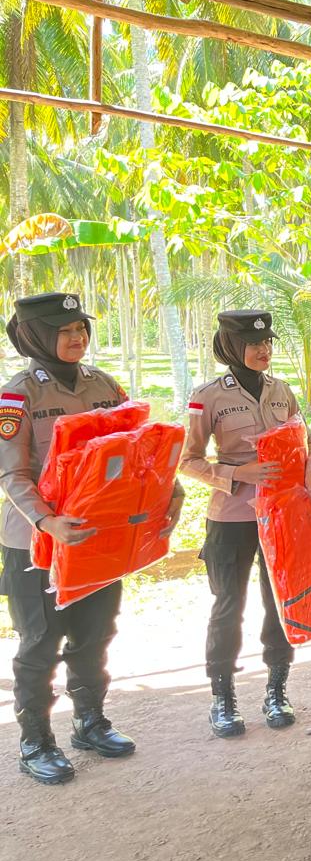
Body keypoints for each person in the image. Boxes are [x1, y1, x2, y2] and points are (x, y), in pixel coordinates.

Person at [0, 292, 182, 784]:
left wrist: (172, 494)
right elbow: (11, 474)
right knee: (40, 643)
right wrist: (47, 521)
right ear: (37, 336)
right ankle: (36, 742)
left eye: (80, 327)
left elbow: (142, 448)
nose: (77, 336)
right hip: (39, 544)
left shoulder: (103, 385)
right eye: (65, 330)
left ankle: (89, 722)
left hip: (100, 542)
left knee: (97, 633)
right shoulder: (18, 395)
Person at [180, 310, 311, 738]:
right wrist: (235, 474)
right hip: (232, 517)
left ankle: (277, 691)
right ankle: (223, 699)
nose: (263, 350)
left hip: (281, 516)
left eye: (267, 342)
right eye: (253, 343)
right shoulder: (208, 397)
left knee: (279, 601)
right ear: (230, 347)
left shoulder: (282, 393)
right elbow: (187, 460)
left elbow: (306, 439)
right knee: (228, 606)